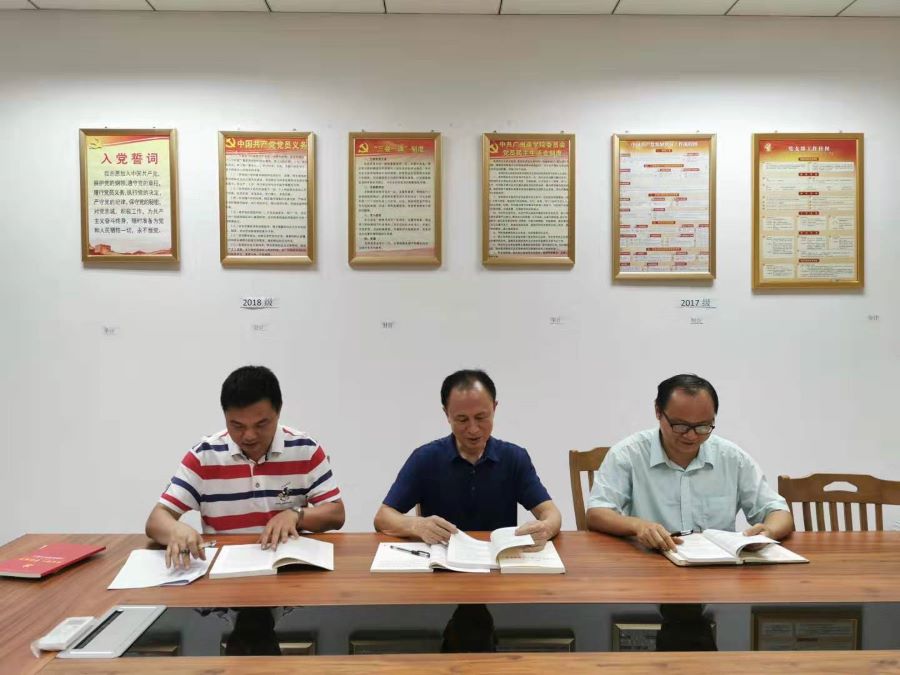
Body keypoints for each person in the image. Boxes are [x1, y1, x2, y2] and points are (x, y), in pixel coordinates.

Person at [146, 365, 345, 568]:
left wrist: (296, 515)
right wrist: (176, 530)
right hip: (224, 570)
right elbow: (156, 519)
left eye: (261, 424)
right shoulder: (204, 456)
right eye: (237, 426)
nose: (249, 436)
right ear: (225, 416)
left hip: (286, 567)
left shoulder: (305, 449)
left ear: (278, 412)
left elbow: (336, 514)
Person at [587, 373, 793, 551]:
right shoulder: (628, 454)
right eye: (680, 426)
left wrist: (768, 531)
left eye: (703, 426)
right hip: (650, 562)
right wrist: (638, 526)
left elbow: (778, 511)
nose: (691, 436)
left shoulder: (732, 458)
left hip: (716, 567)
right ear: (658, 411)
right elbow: (597, 513)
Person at [374, 369, 561, 550]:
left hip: (498, 563)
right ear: (447, 414)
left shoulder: (514, 458)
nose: (473, 429)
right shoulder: (425, 459)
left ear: (494, 408)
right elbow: (383, 517)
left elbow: (551, 513)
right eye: (462, 419)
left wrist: (544, 528)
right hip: (442, 563)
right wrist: (416, 525)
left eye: (481, 417)